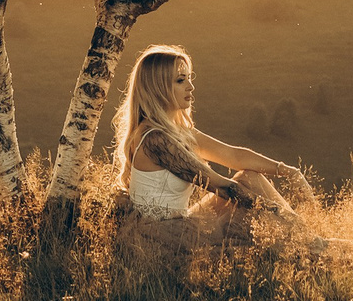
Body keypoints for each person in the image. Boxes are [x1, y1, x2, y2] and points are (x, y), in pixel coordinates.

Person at [111, 44, 316, 243]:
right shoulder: (155, 139)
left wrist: (288, 171)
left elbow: (234, 156)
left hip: (177, 222)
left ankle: (309, 242)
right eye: (180, 81)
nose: (191, 87)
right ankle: (308, 242)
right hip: (160, 236)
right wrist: (278, 214)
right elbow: (222, 187)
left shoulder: (178, 132)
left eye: (189, 79)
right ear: (158, 87)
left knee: (249, 177)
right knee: (251, 205)